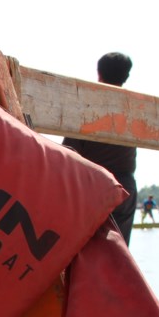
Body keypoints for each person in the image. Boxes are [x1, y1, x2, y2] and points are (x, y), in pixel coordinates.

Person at [63, 52, 137, 245]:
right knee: (120, 254)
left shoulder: (88, 105)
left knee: (83, 252)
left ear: (99, 73)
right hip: (125, 187)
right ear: (126, 76)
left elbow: (70, 152)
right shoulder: (135, 107)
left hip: (94, 183)